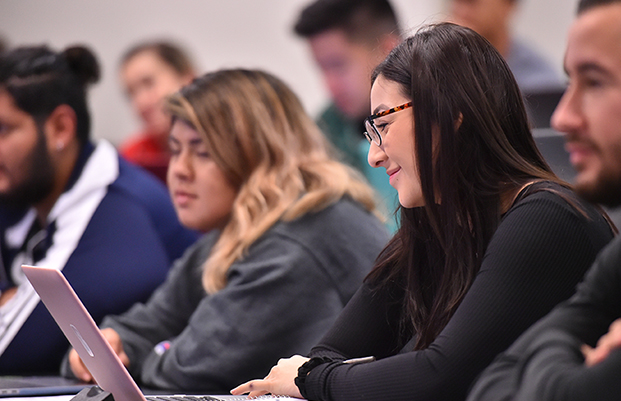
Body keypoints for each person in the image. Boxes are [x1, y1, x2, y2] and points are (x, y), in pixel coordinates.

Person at [231, 22, 615, 401]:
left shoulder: (547, 219)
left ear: (450, 114)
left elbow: (439, 377)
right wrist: (334, 376)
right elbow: (330, 354)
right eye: (370, 132)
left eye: (383, 124)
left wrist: (316, 380)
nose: (374, 154)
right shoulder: (432, 227)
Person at [65, 69, 390, 393]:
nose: (180, 170)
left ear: (263, 154)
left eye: (203, 152)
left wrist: (135, 356)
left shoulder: (297, 237)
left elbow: (189, 368)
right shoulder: (240, 230)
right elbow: (152, 322)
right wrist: (107, 346)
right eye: (176, 149)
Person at [466, 1, 621, 399]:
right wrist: (571, 360)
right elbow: (489, 386)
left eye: (595, 82)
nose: (562, 118)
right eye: (569, 80)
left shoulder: (546, 213)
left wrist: (560, 362)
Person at [0, 45, 198, 374]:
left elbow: (12, 349)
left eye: (3, 130)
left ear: (60, 128)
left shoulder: (117, 213)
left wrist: (14, 298)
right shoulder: (21, 186)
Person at [293, 0, 401, 229]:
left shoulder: (446, 116)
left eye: (338, 65)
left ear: (389, 50)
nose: (329, 85)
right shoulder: (320, 136)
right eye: (322, 68)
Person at [118, 41, 196, 183]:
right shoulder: (130, 157)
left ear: (189, 79)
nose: (141, 102)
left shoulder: (227, 146)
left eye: (149, 83)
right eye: (131, 93)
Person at [447, 0, 564, 94]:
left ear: (508, 5)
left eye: (471, 2)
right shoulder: (442, 64)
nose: (460, 12)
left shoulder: (541, 82)